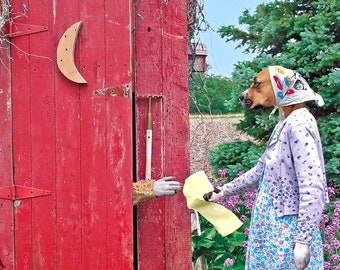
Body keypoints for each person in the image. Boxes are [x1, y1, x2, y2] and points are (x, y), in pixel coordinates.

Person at [204, 66, 329, 269]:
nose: (249, 92)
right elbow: (261, 170)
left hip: (287, 236)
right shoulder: (286, 123)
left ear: (282, 87)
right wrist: (224, 191)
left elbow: (312, 186)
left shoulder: (299, 125)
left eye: (258, 85)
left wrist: (303, 241)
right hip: (272, 234)